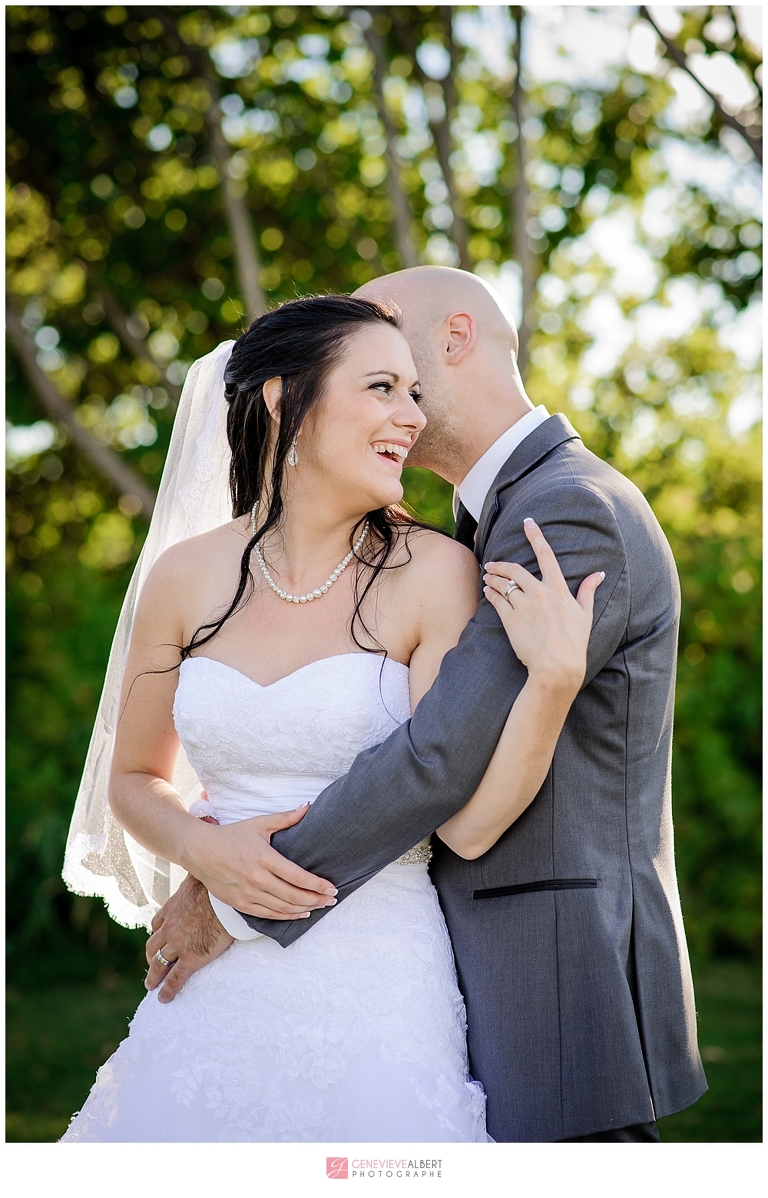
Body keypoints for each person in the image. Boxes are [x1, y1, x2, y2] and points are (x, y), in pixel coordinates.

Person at [144, 268, 707, 1143]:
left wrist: (231, 895)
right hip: (446, 965)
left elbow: (435, 757)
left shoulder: (563, 511)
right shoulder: (491, 513)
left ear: (452, 337)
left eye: (399, 367)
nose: (401, 405)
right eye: (378, 383)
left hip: (554, 973)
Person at [61, 294, 601, 1143]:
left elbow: (466, 824)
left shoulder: (436, 573)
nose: (411, 417)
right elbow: (132, 780)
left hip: (378, 988)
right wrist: (202, 850)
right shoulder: (184, 576)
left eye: (415, 392)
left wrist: (555, 683)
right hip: (210, 992)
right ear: (286, 401)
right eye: (382, 387)